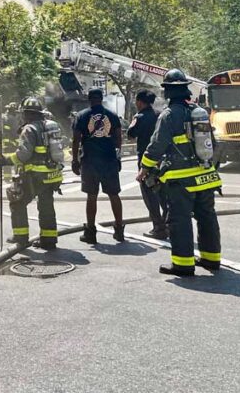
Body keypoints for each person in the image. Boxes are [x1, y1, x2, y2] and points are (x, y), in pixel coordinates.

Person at [136, 69, 221, 277]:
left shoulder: (169, 115)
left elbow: (156, 146)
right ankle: (211, 259)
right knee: (207, 217)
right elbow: (213, 144)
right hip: (206, 176)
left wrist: (144, 168)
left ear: (167, 92)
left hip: (181, 180)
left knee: (179, 220)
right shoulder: (198, 112)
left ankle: (183, 264)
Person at [0, 96, 64, 250]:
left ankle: (21, 238)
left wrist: (6, 160)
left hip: (35, 176)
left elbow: (23, 155)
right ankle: (49, 240)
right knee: (46, 206)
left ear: (27, 114)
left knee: (17, 202)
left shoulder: (29, 129)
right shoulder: (50, 126)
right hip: (52, 175)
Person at [72, 87, 124, 244]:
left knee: (91, 196)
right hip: (109, 160)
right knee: (114, 194)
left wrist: (75, 160)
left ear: (89, 98)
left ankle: (90, 232)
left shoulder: (81, 116)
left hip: (90, 161)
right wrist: (118, 158)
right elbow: (118, 139)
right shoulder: (113, 116)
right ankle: (119, 230)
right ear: (102, 98)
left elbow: (76, 139)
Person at [127, 89, 168, 240]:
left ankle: (158, 227)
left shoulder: (140, 117)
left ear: (139, 101)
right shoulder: (160, 115)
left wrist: (133, 121)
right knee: (163, 192)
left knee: (149, 195)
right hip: (162, 160)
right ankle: (167, 223)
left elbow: (130, 135)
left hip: (146, 161)